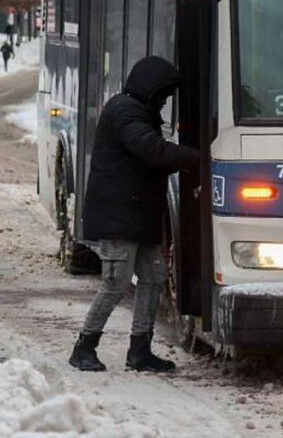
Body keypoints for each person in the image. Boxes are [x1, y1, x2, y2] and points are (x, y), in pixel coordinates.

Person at [68, 57, 199, 373]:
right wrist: (197, 159)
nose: (164, 102)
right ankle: (84, 347)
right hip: (118, 217)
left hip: (136, 215)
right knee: (116, 283)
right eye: (163, 95)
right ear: (151, 90)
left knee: (153, 278)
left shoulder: (138, 111)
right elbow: (150, 149)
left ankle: (140, 350)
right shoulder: (125, 112)